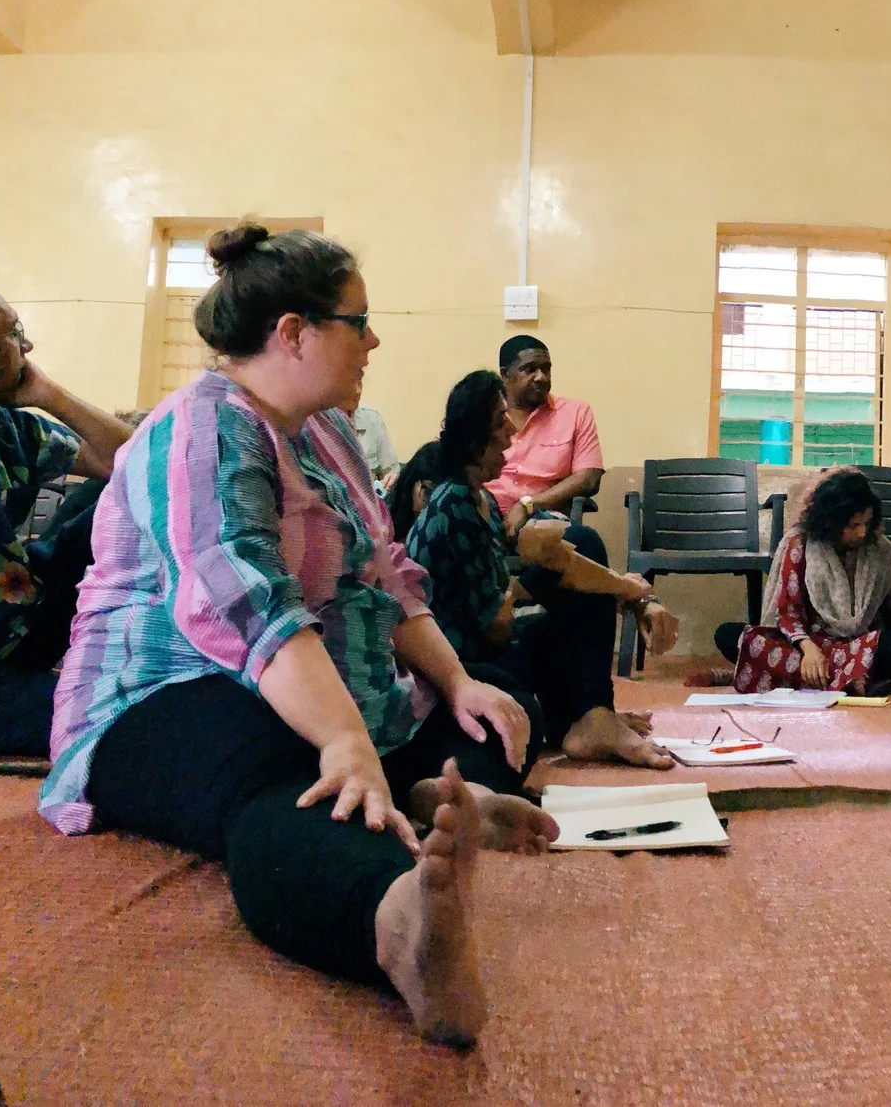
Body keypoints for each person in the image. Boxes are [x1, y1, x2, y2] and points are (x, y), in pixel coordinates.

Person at [41, 223, 556, 1049]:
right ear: (293, 332)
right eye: (360, 321)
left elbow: (386, 574)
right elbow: (243, 606)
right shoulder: (201, 429)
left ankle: (424, 789)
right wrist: (343, 737)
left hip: (307, 683)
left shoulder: (328, 431)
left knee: (501, 698)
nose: (373, 341)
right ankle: (397, 923)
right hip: (170, 691)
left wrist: (459, 682)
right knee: (283, 776)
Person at [403, 371, 677, 768]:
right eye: (501, 421)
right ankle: (591, 716)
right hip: (460, 664)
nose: (512, 431)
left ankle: (589, 718)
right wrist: (596, 590)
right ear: (475, 439)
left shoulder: (479, 499)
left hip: (485, 639)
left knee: (582, 551)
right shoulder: (454, 506)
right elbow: (496, 624)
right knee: (568, 605)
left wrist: (629, 593)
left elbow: (546, 565)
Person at [0, 281, 131, 754]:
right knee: (122, 717)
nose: (28, 345)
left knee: (120, 492)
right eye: (15, 333)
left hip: (11, 618)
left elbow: (142, 461)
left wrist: (50, 395)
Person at [710, 467, 891, 696]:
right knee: (729, 635)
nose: (862, 533)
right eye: (853, 526)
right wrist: (808, 649)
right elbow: (788, 612)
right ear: (831, 522)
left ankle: (806, 679)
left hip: (856, 647)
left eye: (866, 523)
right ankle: (848, 680)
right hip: (805, 646)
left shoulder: (879, 549)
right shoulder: (800, 544)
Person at [486, 335, 602, 534]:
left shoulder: (575, 412)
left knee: (584, 539)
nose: (542, 377)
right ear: (505, 374)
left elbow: (588, 478)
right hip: (484, 518)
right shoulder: (482, 414)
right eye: (530, 369)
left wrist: (528, 505)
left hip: (544, 519)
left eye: (546, 369)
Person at [347, 395, 399, 493]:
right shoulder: (318, 420)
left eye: (360, 386)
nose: (358, 391)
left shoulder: (372, 419)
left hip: (369, 498)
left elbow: (392, 473)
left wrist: (391, 481)